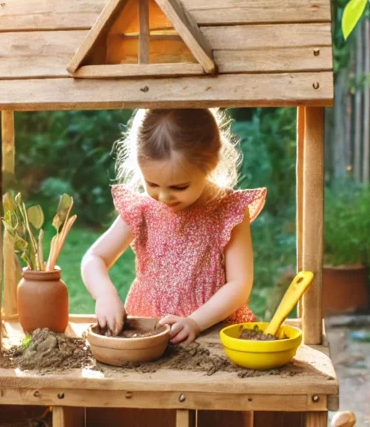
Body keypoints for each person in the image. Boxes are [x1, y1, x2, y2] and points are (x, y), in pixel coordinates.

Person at [82, 108, 266, 344]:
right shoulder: (142, 209)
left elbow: (239, 285)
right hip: (151, 334)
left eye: (179, 187)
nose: (164, 196)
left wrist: (195, 322)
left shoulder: (228, 211)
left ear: (210, 163)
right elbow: (94, 257)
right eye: (152, 184)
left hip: (214, 333)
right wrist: (105, 295)